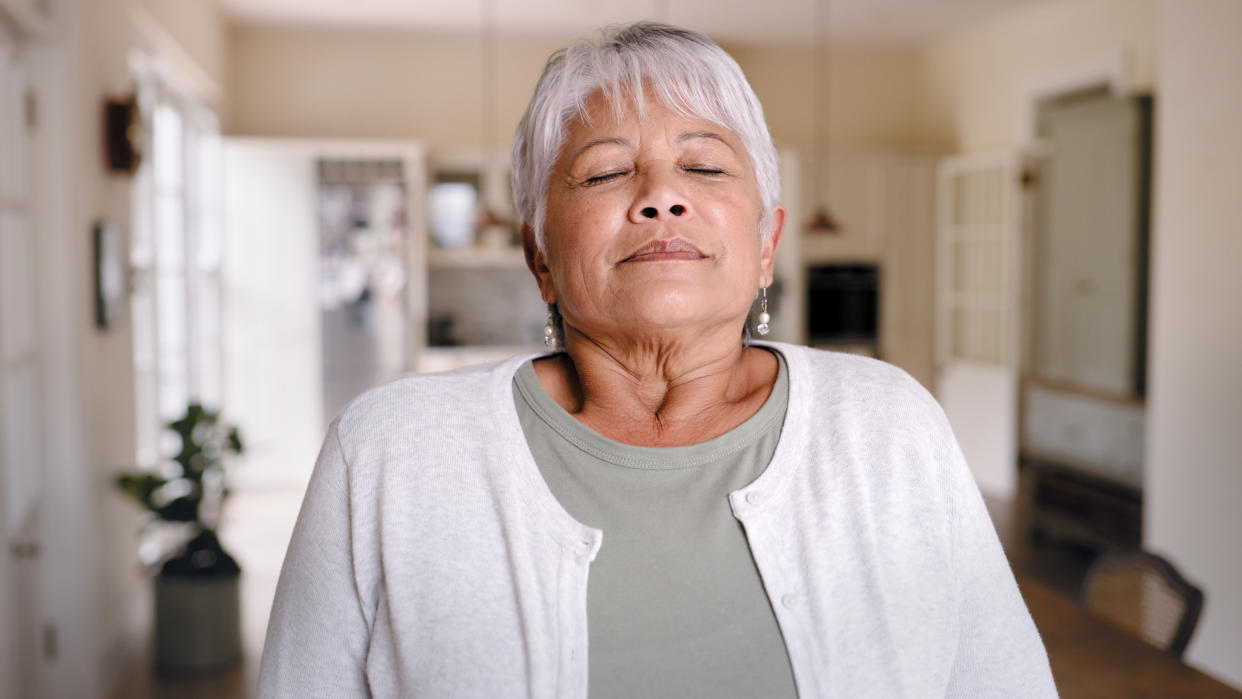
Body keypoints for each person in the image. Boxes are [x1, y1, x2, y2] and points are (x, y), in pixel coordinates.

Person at [259, 22, 1057, 698]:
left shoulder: (892, 424)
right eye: (605, 171)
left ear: (767, 241)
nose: (661, 196)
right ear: (539, 254)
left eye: (705, 166)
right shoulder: (387, 453)